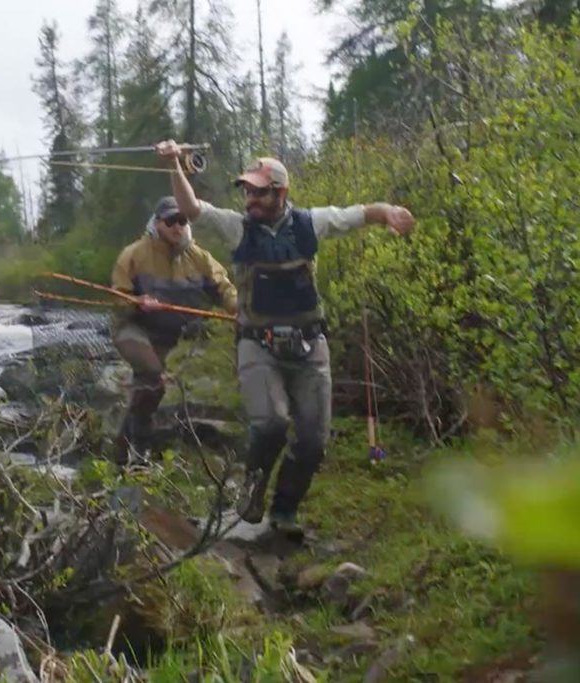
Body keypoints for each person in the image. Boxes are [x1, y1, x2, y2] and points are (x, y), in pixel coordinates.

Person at [155, 141, 415, 534]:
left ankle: (285, 511)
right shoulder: (236, 227)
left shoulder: (312, 223)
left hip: (311, 346)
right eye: (247, 190)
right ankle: (252, 491)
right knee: (271, 423)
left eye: (259, 191)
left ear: (281, 193)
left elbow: (361, 214)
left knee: (313, 440)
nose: (251, 198)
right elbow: (192, 209)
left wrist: (389, 213)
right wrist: (174, 163)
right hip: (257, 343)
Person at [110, 195, 238, 464]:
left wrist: (238, 309)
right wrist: (137, 303)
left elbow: (224, 287)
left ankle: (121, 450)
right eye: (170, 221)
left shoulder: (200, 258)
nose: (177, 226)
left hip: (170, 338)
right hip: (132, 329)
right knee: (153, 375)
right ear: (157, 223)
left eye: (182, 221)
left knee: (148, 390)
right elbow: (119, 300)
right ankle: (141, 448)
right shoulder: (133, 254)